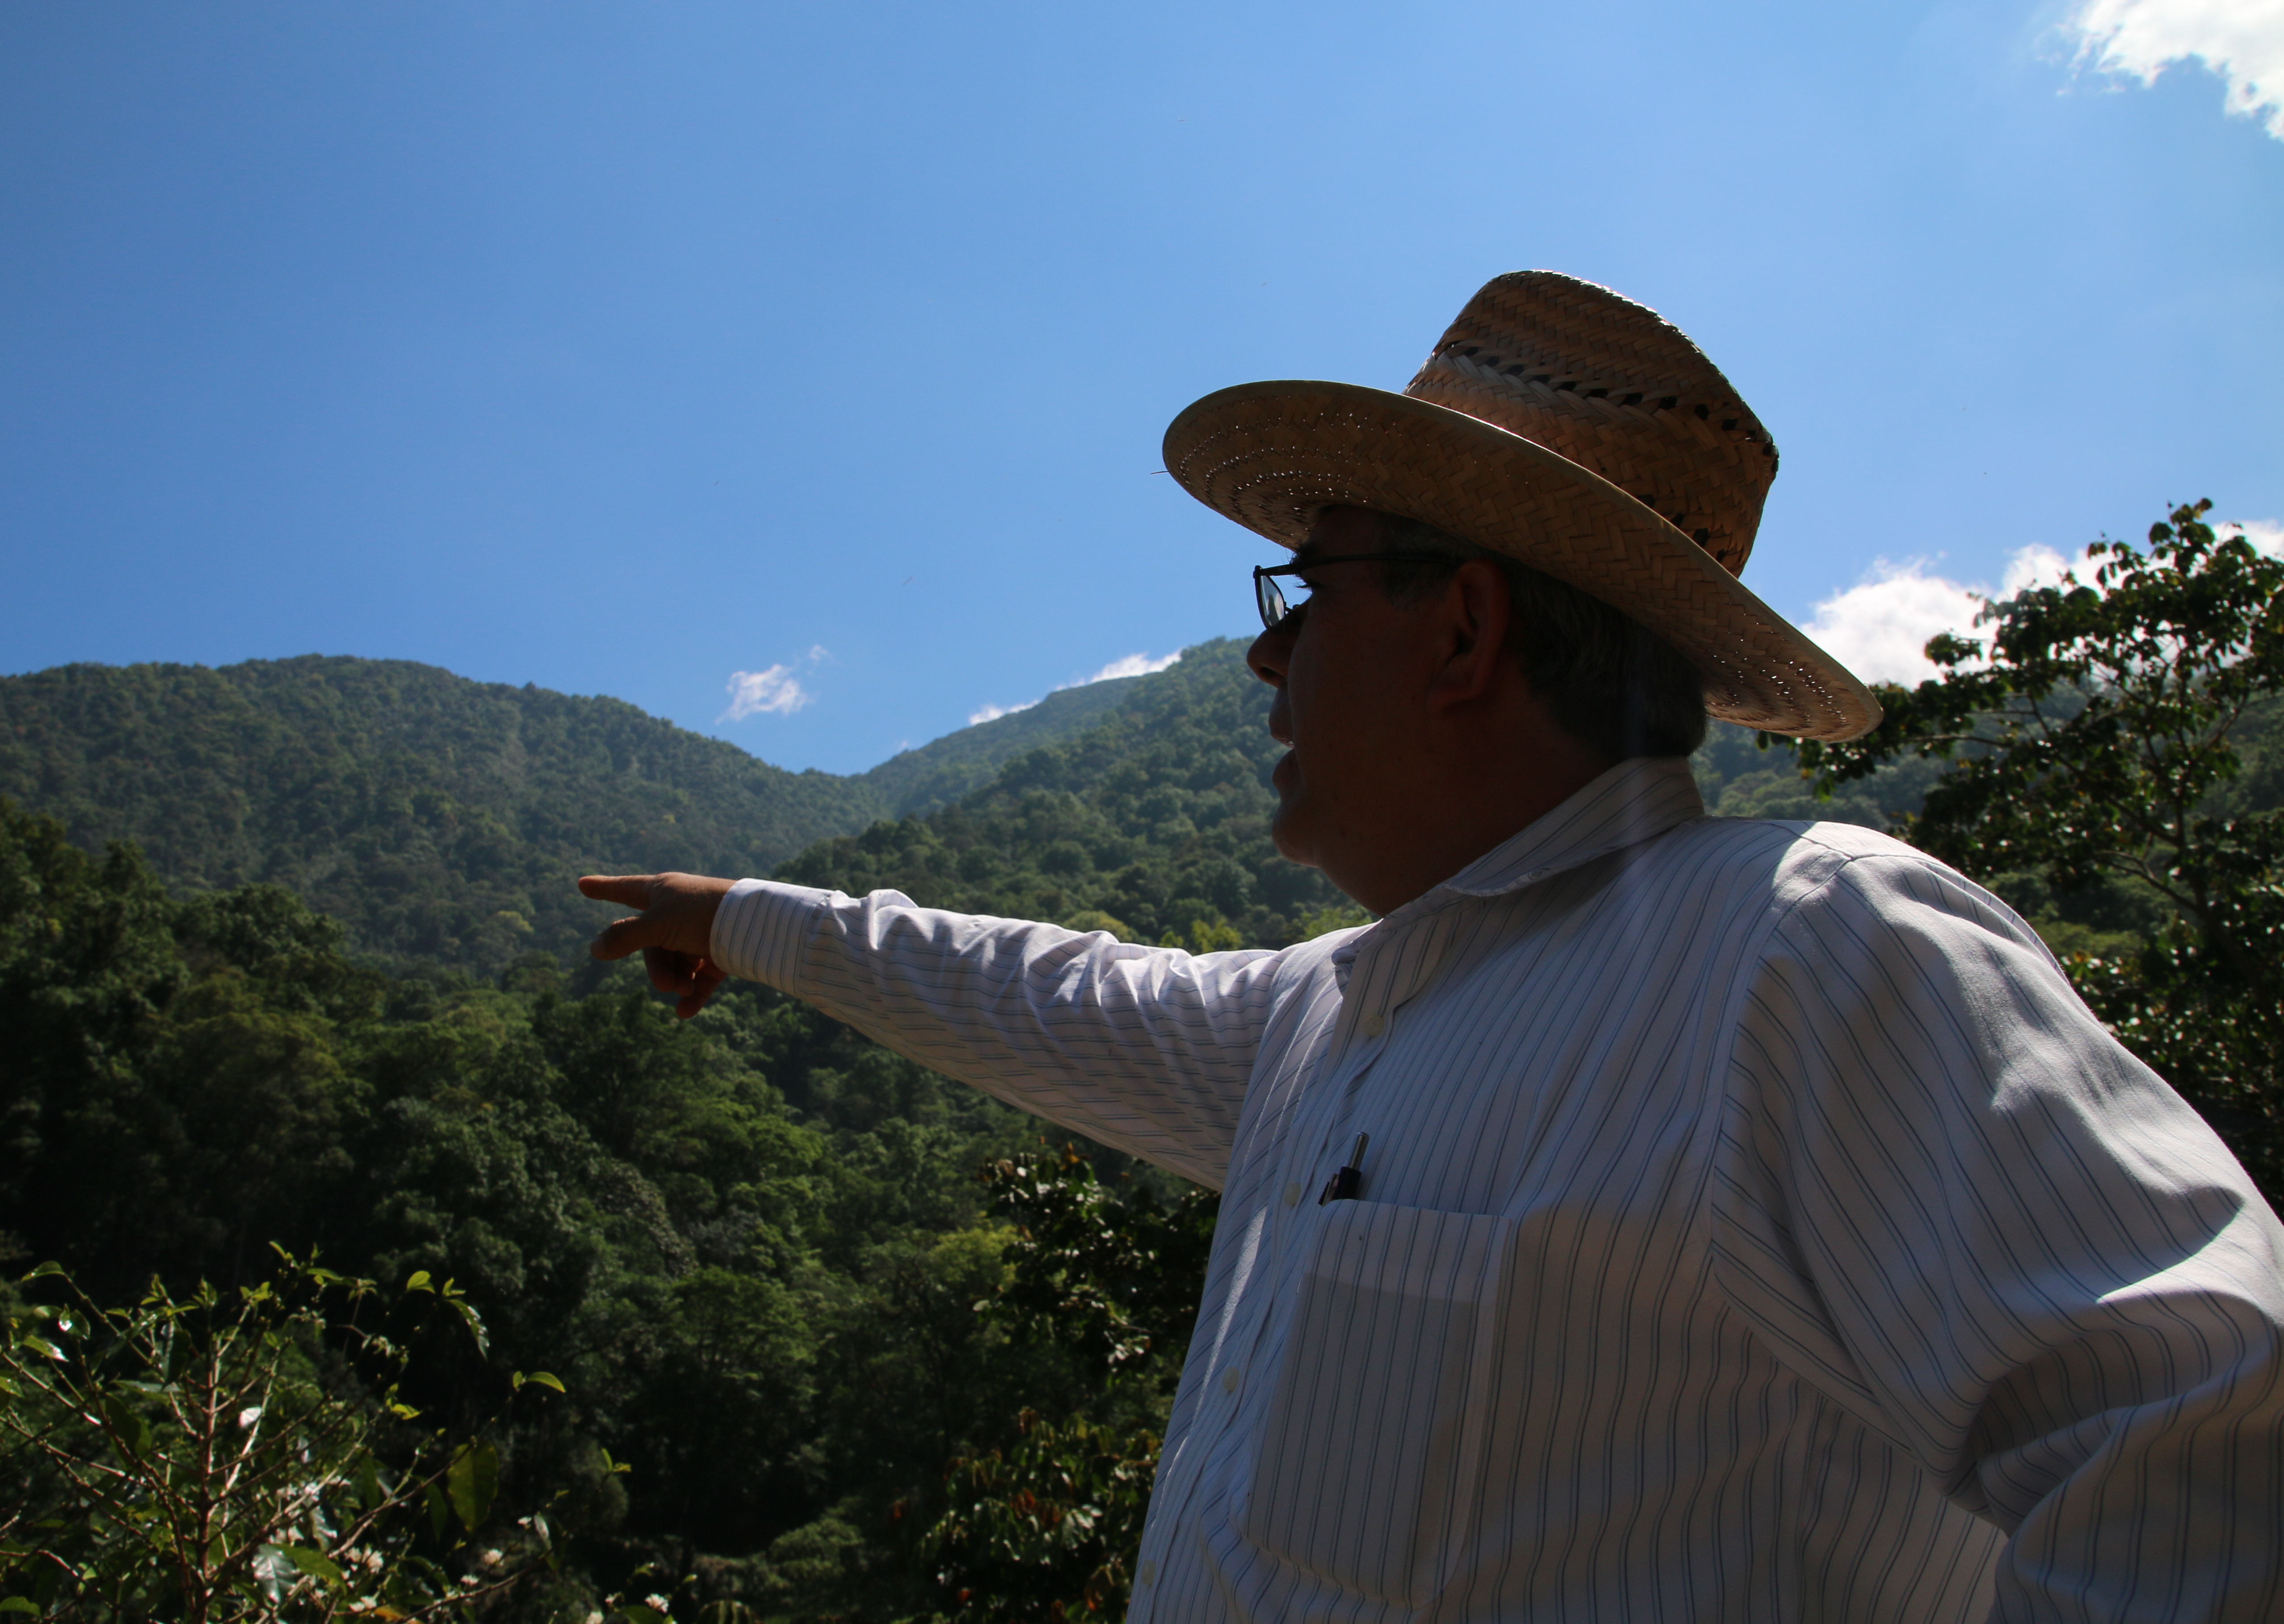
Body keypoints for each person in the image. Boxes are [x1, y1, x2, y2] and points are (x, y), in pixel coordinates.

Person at [580, 272, 2283, 1621]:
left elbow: (2207, 1451)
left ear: (1463, 629)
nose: (1266, 659)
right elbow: (1055, 993)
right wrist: (750, 921)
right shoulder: (1330, 1019)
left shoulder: (1802, 949)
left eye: (1305, 594)